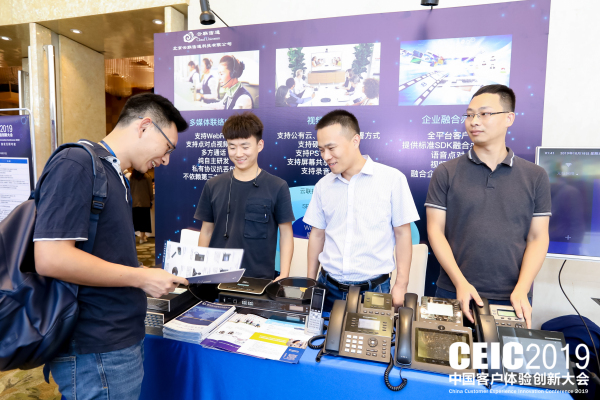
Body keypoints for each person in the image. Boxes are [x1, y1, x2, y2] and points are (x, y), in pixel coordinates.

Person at [34, 93, 189, 400]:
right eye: (168, 147)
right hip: (95, 346)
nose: (166, 160)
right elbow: (51, 257)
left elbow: (103, 252)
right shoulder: (76, 163)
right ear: (145, 126)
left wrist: (143, 273)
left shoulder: (115, 176)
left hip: (116, 340)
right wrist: (141, 277)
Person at [425, 84, 551, 329]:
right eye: (469, 115)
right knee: (447, 354)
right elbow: (435, 231)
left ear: (509, 118)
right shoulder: (446, 172)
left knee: (500, 355)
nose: (474, 121)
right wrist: (460, 283)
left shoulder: (535, 176)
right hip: (453, 290)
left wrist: (522, 288)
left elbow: (538, 237)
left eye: (484, 114)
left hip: (511, 297)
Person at [304, 110, 420, 311]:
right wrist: (310, 282)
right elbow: (317, 234)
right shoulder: (323, 185)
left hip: (374, 291)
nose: (326, 156)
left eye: (331, 148)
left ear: (355, 140)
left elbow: (402, 234)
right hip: (327, 287)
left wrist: (401, 284)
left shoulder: (392, 179)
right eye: (321, 150)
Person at [195, 112, 295, 280]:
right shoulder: (213, 185)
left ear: (260, 145)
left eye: (245, 146)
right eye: (232, 147)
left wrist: (284, 274)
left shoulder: (278, 186)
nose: (238, 153)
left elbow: (286, 234)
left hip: (258, 279)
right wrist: (199, 269)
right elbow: (206, 231)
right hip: (216, 276)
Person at [130, 169, 154, 244]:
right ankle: (142, 237)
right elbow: (150, 190)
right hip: (144, 201)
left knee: (135, 221)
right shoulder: (147, 177)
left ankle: (133, 238)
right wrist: (151, 199)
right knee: (144, 221)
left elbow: (129, 189)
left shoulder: (132, 177)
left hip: (134, 201)